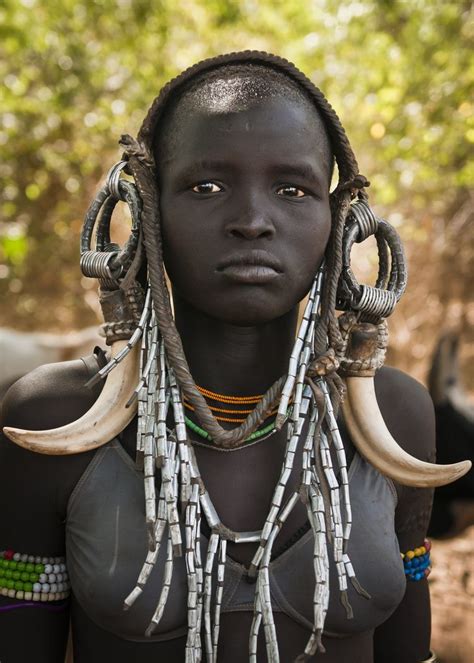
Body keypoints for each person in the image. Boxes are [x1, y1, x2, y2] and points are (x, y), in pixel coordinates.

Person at [0, 51, 464, 663]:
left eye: (293, 189)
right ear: (142, 212)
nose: (252, 221)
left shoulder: (394, 416)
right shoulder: (52, 418)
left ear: (342, 221)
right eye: (206, 186)